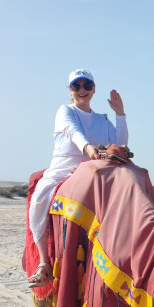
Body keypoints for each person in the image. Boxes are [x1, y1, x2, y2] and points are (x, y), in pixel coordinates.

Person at [28, 68, 128, 287]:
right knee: (39, 198)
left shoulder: (102, 119)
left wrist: (120, 114)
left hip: (97, 167)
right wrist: (88, 147)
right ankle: (44, 264)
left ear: (94, 89)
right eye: (76, 86)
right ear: (70, 90)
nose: (82, 90)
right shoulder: (65, 111)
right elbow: (73, 131)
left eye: (87, 86)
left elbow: (121, 143)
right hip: (65, 167)